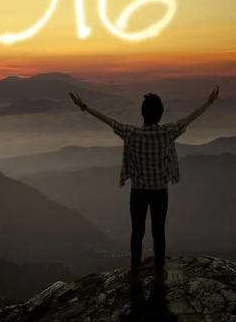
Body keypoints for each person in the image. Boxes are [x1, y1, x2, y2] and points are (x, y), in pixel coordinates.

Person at [69, 87, 220, 285]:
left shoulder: (131, 134)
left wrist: (84, 106)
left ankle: (136, 273)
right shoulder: (168, 133)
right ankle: (158, 274)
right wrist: (209, 102)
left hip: (138, 192)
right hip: (160, 193)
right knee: (159, 233)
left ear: (142, 113)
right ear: (160, 115)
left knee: (137, 232)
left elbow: (107, 120)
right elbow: (190, 118)